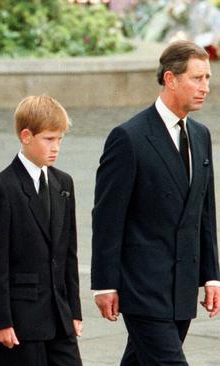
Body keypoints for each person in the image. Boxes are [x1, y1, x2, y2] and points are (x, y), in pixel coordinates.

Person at [91, 40, 220, 365]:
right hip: (142, 287)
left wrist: (211, 275)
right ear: (170, 79)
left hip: (182, 286)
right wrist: (104, 284)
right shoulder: (129, 137)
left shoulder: (201, 135)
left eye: (207, 78)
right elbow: (108, 216)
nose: (205, 87)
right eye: (197, 78)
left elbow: (204, 212)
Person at [0, 96, 82, 366]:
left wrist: (74, 310)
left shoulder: (64, 183)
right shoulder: (2, 188)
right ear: (26, 136)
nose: (56, 147)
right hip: (21, 321)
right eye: (49, 139)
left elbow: (69, 253)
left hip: (60, 317)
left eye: (60, 139)